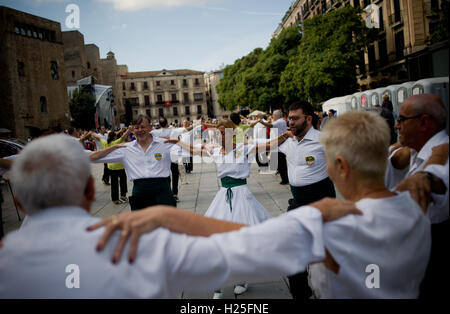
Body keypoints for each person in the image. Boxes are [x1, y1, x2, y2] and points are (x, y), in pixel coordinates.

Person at [91, 111, 432, 299]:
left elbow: (249, 243)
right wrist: (427, 174)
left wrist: (165, 217)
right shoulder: (416, 206)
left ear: (341, 166)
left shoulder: (326, 226)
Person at [0, 134, 362, 298]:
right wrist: (317, 216)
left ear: (17, 201)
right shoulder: (144, 247)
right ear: (91, 191)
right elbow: (254, 249)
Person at [166, 119, 293, 298]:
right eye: (219, 133)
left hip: (242, 195)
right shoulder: (215, 150)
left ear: (233, 133)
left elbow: (267, 145)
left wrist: (283, 136)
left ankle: (241, 278)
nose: (221, 135)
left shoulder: (243, 148)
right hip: (224, 196)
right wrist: (178, 142)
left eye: (225, 132)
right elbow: (194, 150)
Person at [385, 93, 449, 299]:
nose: (396, 126)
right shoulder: (414, 152)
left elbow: (435, 181)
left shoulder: (443, 156)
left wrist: (426, 177)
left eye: (401, 119)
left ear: (423, 122)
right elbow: (392, 161)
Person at [279, 101, 336, 299]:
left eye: (295, 118)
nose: (290, 122)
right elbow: (259, 146)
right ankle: (301, 295)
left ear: (308, 119)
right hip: (297, 204)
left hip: (321, 202)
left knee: (325, 258)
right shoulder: (288, 142)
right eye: (289, 118)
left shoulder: (324, 140)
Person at [89, 115, 177, 210]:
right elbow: (91, 158)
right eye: (136, 127)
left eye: (143, 127)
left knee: (167, 223)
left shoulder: (164, 144)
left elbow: (191, 152)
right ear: (132, 130)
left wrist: (178, 142)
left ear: (150, 128)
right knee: (141, 224)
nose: (140, 130)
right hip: (140, 192)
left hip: (162, 190)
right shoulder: (126, 148)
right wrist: (113, 147)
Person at [258, 110, 289, 184]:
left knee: (281, 163)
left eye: (273, 115)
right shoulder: (279, 121)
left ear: (277, 116)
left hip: (280, 145)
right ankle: (284, 177)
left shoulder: (280, 121)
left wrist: (262, 122)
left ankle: (285, 179)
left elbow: (270, 125)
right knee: (279, 163)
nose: (272, 117)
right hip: (277, 144)